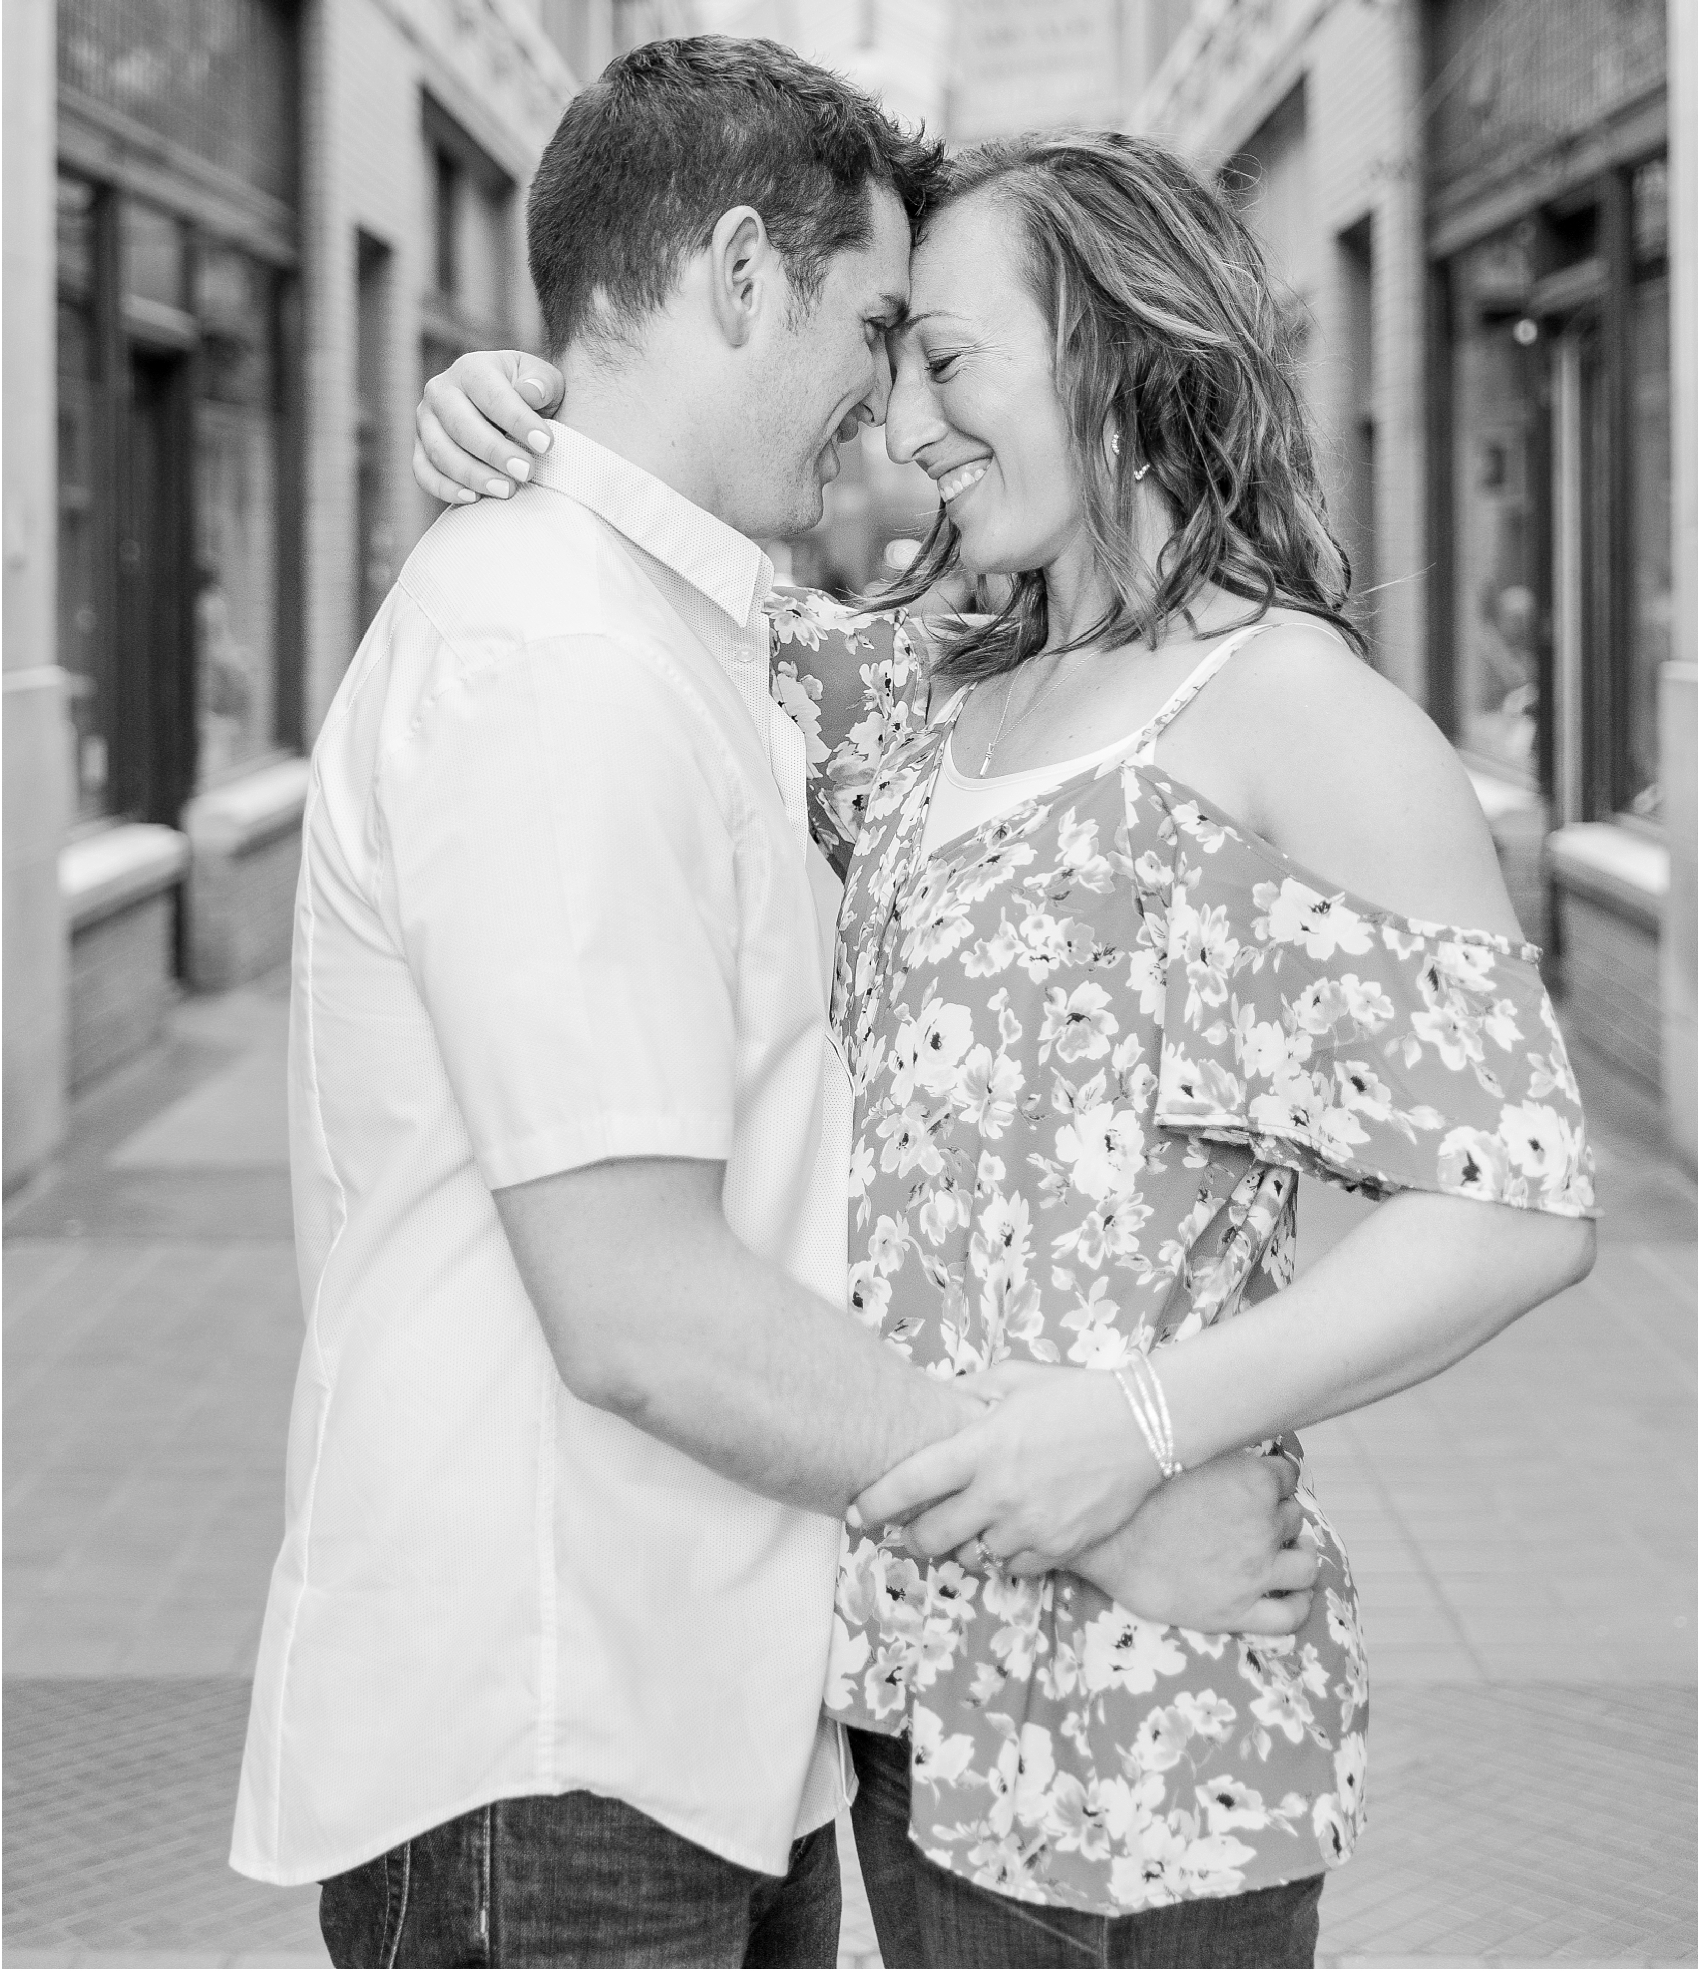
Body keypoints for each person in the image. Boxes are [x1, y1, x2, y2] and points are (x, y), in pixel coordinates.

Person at [418, 125, 1596, 1969]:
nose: (909, 431)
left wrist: (1141, 1430)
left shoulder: (1296, 715)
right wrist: (522, 411)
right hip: (895, 1668)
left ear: (1124, 344)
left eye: (949, 361)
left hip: (1147, 1715)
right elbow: (664, 560)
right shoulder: (934, 672)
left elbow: (1517, 1205)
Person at [235, 46, 1313, 1971]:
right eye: (878, 325)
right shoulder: (557, 656)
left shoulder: (699, 634)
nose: (891, 403)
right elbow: (635, 1306)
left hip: (700, 1721)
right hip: (557, 1738)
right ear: (743, 275)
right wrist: (1093, 1506)